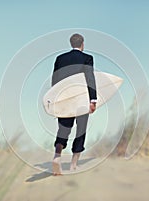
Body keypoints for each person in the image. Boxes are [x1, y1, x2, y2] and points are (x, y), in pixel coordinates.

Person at [51, 33, 97, 175]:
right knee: (81, 130)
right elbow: (90, 78)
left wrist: (55, 100)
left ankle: (57, 157)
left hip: (64, 99)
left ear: (71, 44)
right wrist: (93, 99)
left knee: (63, 129)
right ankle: (73, 165)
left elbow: (55, 80)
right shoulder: (87, 58)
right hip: (81, 99)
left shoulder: (60, 59)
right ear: (82, 44)